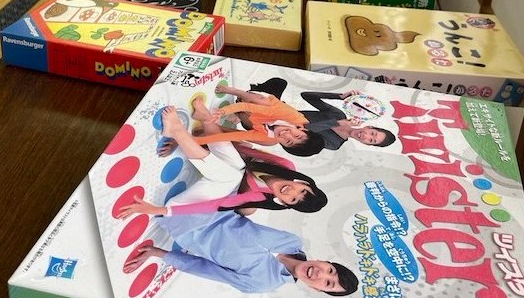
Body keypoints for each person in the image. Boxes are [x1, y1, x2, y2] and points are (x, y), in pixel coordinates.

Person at [119, 100, 327, 219]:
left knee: (231, 176)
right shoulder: (286, 166)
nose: (291, 192)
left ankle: (177, 131)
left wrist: (160, 210)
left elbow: (219, 204)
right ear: (304, 183)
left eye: (293, 200)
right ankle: (202, 121)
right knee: (238, 161)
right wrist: (197, 140)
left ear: (285, 203)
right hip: (227, 165)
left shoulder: (260, 199)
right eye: (301, 191)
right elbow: (243, 146)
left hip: (219, 189)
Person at [124, 210, 358, 296]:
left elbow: (206, 269)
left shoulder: (262, 284)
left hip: (185, 226)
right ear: (325, 261)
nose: (320, 274)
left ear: (316, 289)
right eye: (330, 270)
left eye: (327, 283)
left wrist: (158, 252)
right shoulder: (293, 241)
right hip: (210, 205)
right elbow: (241, 218)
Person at [248, 78, 396, 153]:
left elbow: (302, 128)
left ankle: (244, 109)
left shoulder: (334, 144)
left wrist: (336, 124)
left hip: (273, 128)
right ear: (369, 127)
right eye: (372, 133)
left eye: (371, 140)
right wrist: (339, 96)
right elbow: (306, 95)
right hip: (279, 111)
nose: (366, 136)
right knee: (278, 83)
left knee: (255, 117)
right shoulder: (338, 114)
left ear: (367, 144)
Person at [185, 83, 325, 156]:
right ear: (302, 129)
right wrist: (223, 111)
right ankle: (235, 91)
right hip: (259, 101)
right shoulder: (292, 116)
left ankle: (213, 119)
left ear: (284, 145)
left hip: (255, 122)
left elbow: (235, 136)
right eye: (297, 135)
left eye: (288, 141)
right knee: (262, 102)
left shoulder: (270, 139)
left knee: (265, 142)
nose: (286, 135)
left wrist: (193, 141)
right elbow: (248, 106)